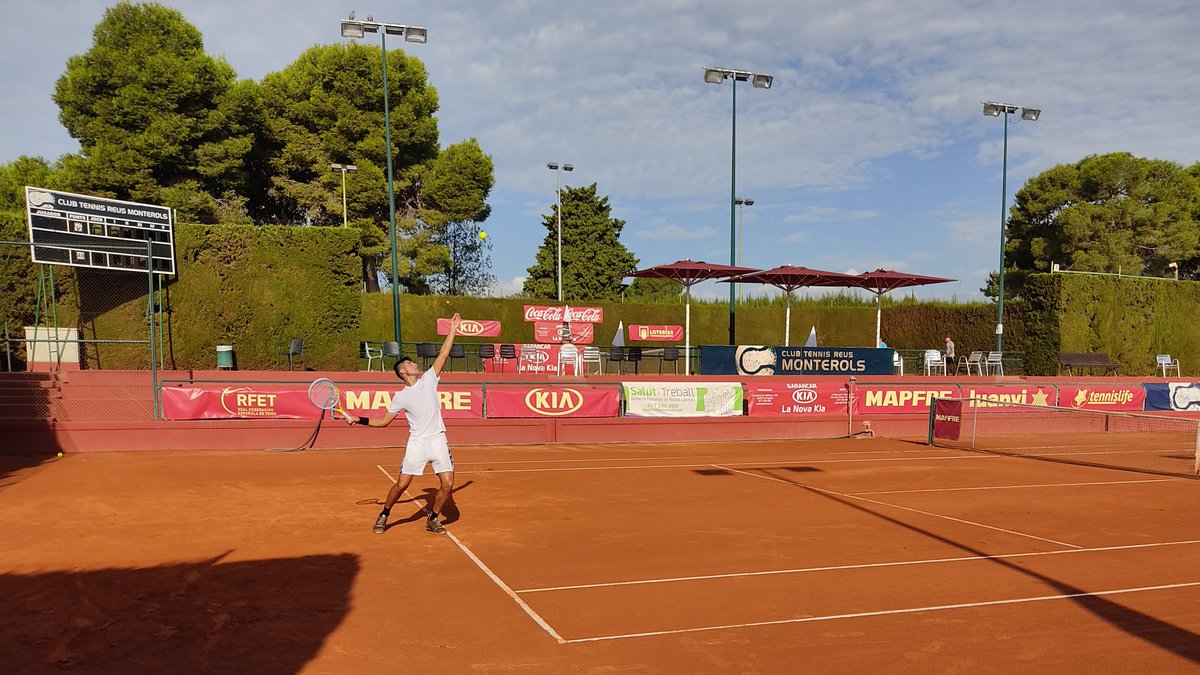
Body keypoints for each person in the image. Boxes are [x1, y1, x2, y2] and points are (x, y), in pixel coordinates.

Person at [347, 313, 462, 535]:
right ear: (403, 371)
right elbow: (382, 421)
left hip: (438, 438)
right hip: (417, 443)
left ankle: (433, 518)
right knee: (402, 485)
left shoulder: (429, 379)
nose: (415, 364)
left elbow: (444, 353)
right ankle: (384, 514)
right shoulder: (400, 397)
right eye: (410, 363)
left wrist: (453, 329)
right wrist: (357, 419)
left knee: (448, 484)